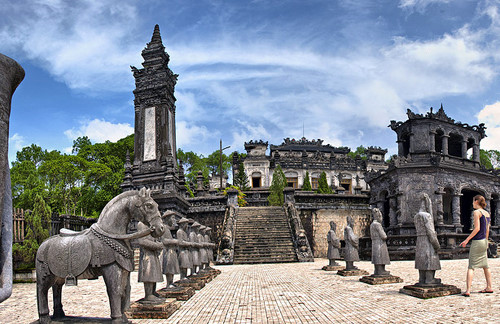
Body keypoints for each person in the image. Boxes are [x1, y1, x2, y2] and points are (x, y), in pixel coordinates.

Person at [459, 195, 493, 296]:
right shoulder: (487, 213)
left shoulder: (476, 212)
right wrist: (486, 241)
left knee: (471, 266)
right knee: (486, 266)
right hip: (484, 241)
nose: (472, 203)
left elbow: (477, 228)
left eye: (473, 201)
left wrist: (467, 239)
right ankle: (489, 287)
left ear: (477, 201)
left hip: (477, 241)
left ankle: (468, 290)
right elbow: (487, 230)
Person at [414, 193, 441, 286]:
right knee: (429, 258)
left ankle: (422, 278)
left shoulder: (416, 216)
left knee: (421, 258)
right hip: (427, 240)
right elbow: (431, 232)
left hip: (419, 240)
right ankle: (430, 279)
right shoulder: (427, 216)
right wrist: (436, 245)